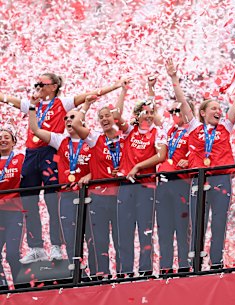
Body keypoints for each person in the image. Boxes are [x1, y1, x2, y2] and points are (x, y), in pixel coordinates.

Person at [0, 74, 126, 264]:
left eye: (43, 83)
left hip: (50, 151)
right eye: (37, 83)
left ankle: (56, 245)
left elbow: (90, 94)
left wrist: (115, 86)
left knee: (52, 199)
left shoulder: (63, 103)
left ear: (54, 86)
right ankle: (36, 247)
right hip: (31, 153)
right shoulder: (32, 104)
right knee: (28, 198)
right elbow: (9, 99)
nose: (38, 86)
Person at [182, 75, 235, 269]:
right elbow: (183, 102)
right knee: (198, 222)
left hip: (221, 179)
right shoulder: (194, 127)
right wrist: (174, 78)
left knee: (219, 223)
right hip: (199, 180)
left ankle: (216, 262)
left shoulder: (225, 127)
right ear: (203, 112)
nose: (219, 111)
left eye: (219, 108)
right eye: (214, 108)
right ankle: (195, 263)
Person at [71, 83, 131, 277]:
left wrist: (123, 91)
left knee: (121, 237)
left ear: (114, 118)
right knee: (99, 238)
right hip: (99, 197)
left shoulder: (126, 137)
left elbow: (119, 113)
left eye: (107, 116)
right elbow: (76, 125)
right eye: (101, 117)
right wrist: (86, 106)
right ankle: (100, 273)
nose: (104, 119)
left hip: (121, 195)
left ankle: (123, 273)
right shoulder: (95, 138)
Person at [28, 98, 92, 272]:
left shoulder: (91, 139)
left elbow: (100, 164)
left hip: (88, 194)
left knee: (91, 233)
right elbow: (35, 129)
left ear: (81, 121)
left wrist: (89, 175)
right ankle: (76, 268)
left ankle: (94, 269)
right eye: (66, 118)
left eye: (73, 117)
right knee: (70, 234)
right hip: (66, 195)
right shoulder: (60, 140)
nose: (69, 120)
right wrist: (32, 107)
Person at [116, 77, 167, 275]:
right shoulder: (129, 131)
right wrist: (122, 91)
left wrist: (138, 166)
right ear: (136, 116)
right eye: (144, 113)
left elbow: (161, 156)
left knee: (145, 230)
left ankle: (145, 270)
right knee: (124, 231)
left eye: (151, 113)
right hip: (126, 186)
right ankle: (125, 271)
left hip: (147, 186)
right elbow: (115, 116)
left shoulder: (158, 133)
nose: (148, 115)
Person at [155, 59, 194, 273]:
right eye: (172, 112)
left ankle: (185, 266)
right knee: (164, 228)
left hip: (180, 182)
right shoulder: (169, 131)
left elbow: (182, 102)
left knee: (181, 226)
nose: (173, 114)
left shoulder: (191, 129)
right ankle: (165, 267)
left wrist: (173, 79)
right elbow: (150, 114)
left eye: (177, 112)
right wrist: (151, 89)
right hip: (163, 183)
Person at [0, 128, 24, 285]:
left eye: (6, 137)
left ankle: (20, 284)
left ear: (14, 141)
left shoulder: (21, 158)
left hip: (14, 211)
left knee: (13, 253)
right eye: (0, 137)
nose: (2, 139)